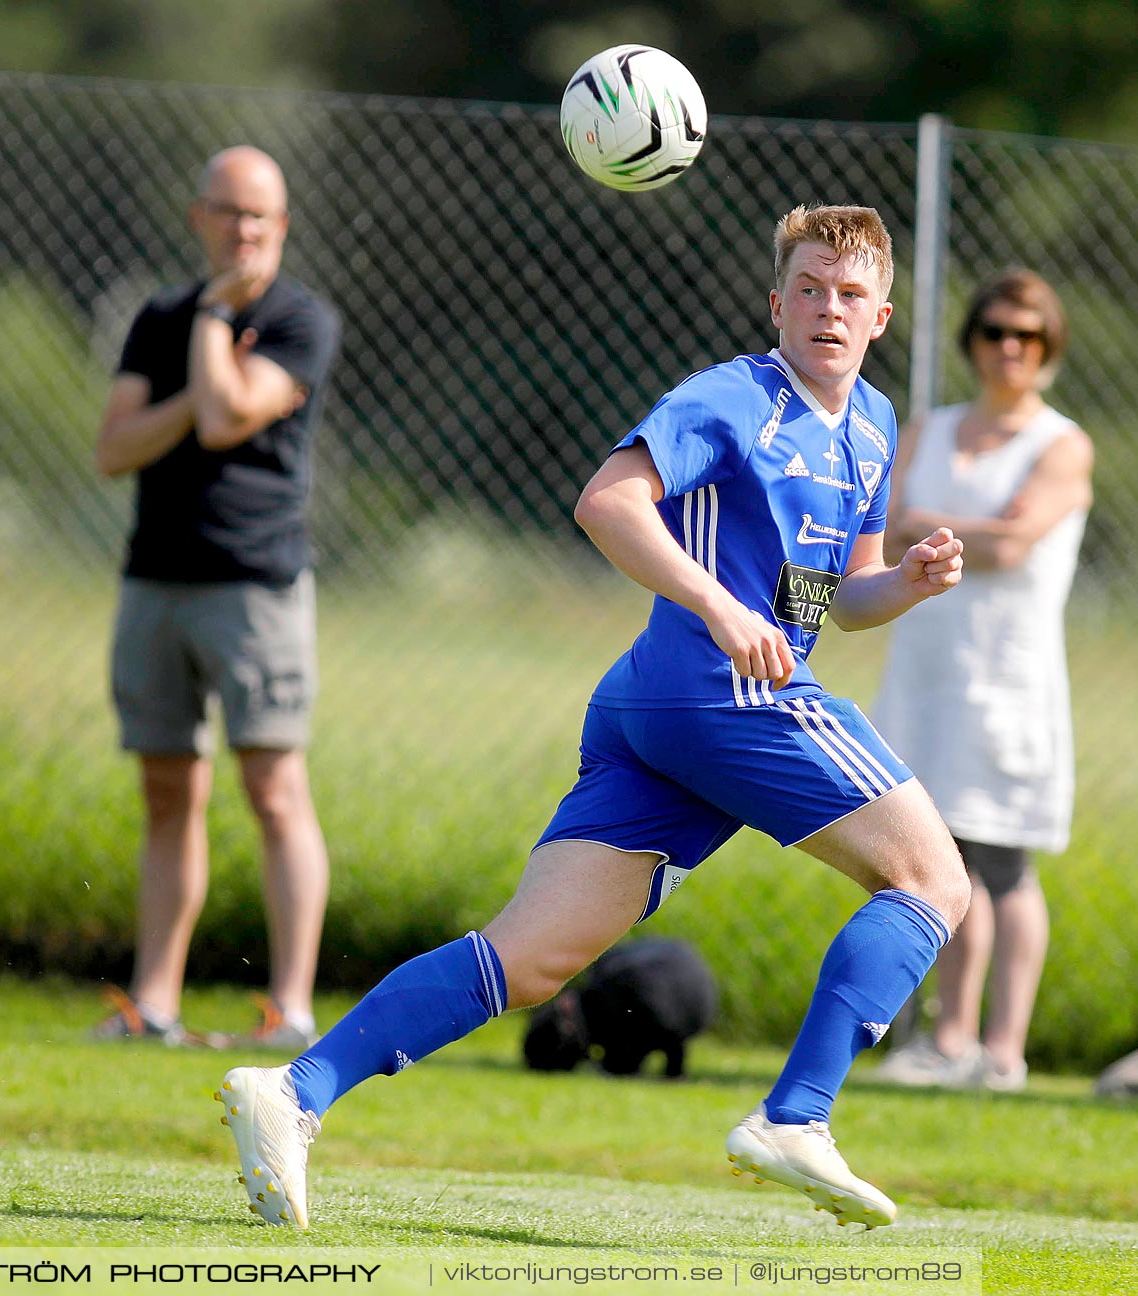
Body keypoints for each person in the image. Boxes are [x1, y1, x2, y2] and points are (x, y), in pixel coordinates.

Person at [218, 204, 968, 1230]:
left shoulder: (874, 427)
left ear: (880, 316)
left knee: (530, 959)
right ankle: (797, 1116)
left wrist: (911, 585)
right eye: (807, 289)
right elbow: (609, 502)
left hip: (656, 712)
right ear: (776, 302)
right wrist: (716, 603)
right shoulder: (734, 399)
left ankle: (294, 1092)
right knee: (934, 880)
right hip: (716, 690)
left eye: (848, 295)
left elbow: (843, 592)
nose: (826, 311)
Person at [94, 146, 340, 1050]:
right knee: (168, 794)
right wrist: (201, 351)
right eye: (228, 213)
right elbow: (113, 448)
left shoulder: (300, 320)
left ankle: (290, 1009)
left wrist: (205, 370)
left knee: (274, 790)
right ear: (200, 217)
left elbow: (231, 413)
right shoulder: (161, 317)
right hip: (155, 578)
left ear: (281, 227)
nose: (242, 231)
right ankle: (153, 1005)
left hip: (255, 585)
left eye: (260, 219)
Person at [869, 270, 1092, 1093]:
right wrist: (940, 530)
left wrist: (924, 526)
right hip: (924, 674)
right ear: (973, 340)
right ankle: (939, 1039)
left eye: (1028, 336)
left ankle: (994, 1048)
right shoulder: (930, 428)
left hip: (1008, 680)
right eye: (997, 330)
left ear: (1049, 348)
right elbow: (882, 529)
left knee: (1000, 862)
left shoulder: (1061, 443)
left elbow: (1009, 547)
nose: (1010, 348)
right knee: (929, 854)